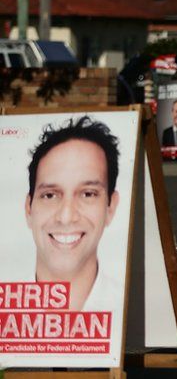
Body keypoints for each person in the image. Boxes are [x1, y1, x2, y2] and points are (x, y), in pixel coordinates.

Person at [24, 116, 122, 311]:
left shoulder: (128, 309)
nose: (66, 216)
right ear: (29, 209)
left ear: (110, 207)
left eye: (88, 194)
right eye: (50, 195)